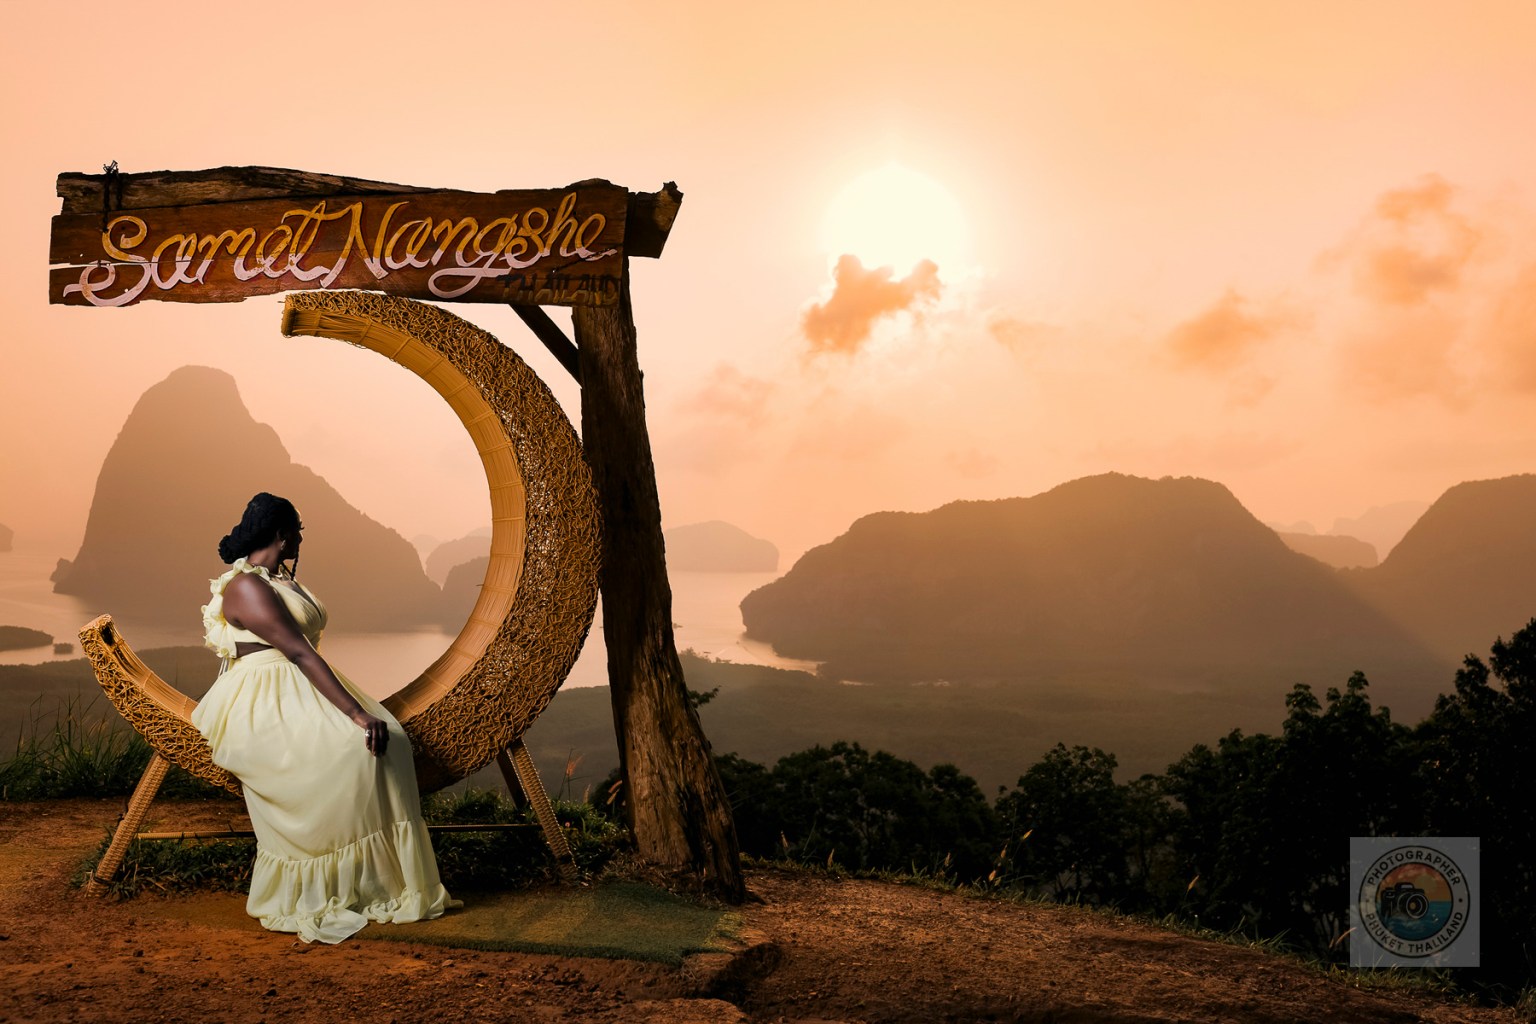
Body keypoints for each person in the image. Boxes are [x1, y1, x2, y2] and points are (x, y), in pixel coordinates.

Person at [191, 492, 458, 943]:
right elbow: (296, 650)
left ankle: (385, 881)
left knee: (390, 738)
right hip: (263, 697)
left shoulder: (278, 578)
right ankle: (329, 879)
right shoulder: (246, 586)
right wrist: (354, 713)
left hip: (301, 683)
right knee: (352, 750)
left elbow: (304, 652)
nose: (301, 538)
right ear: (281, 533)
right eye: (298, 529)